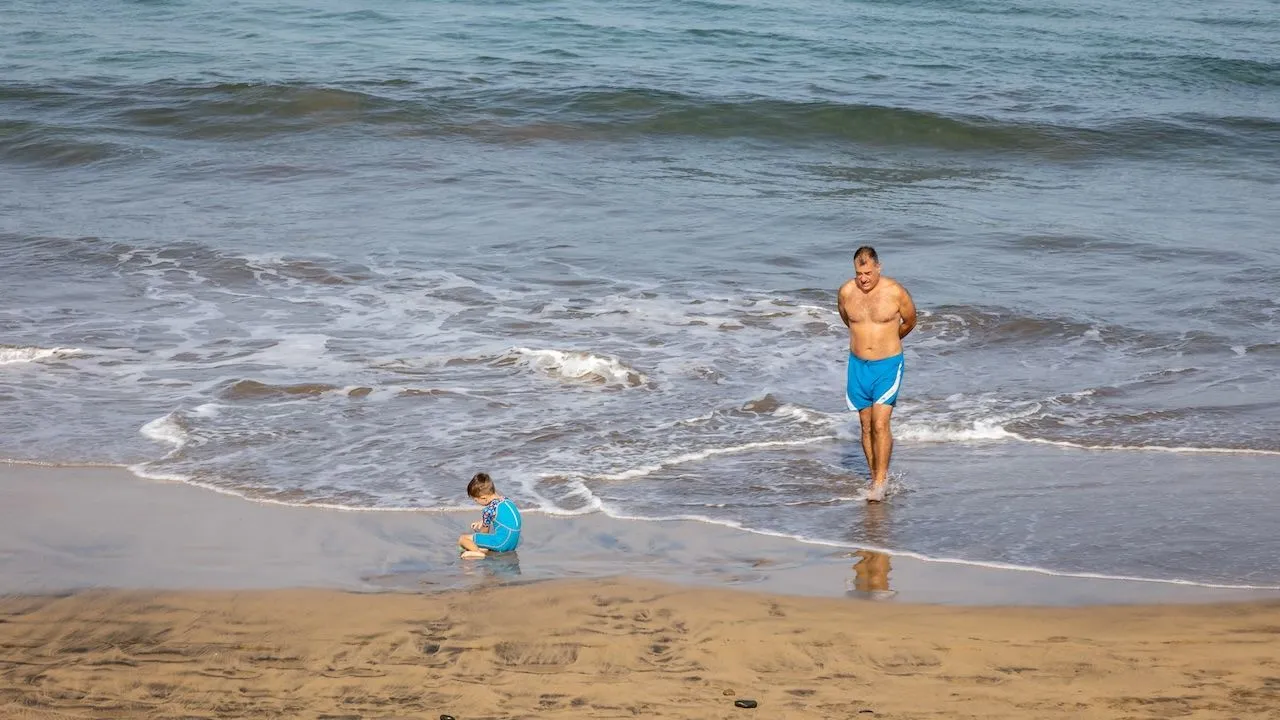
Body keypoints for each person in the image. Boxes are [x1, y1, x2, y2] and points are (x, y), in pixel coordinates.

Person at [837, 246, 917, 502]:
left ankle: (880, 484)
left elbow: (910, 321)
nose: (863, 278)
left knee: (880, 423)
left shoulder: (895, 292)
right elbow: (847, 321)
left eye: (868, 272)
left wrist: (889, 339)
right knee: (865, 425)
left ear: (878, 268)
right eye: (859, 273)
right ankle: (875, 477)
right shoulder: (846, 292)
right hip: (858, 365)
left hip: (888, 365)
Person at [457, 472, 523, 559]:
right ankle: (482, 550)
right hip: (512, 544)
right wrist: (483, 521)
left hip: (502, 544)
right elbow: (503, 518)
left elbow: (484, 533)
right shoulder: (506, 500)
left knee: (463, 539)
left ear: (484, 498)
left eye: (476, 500)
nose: (476, 503)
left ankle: (477, 553)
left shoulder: (488, 510)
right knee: (484, 545)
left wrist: (477, 536)